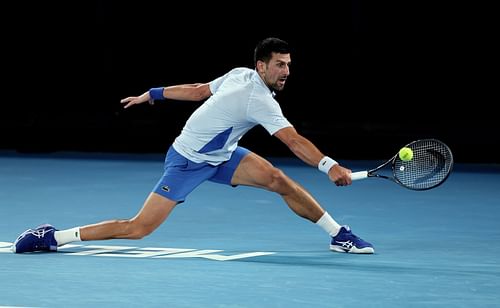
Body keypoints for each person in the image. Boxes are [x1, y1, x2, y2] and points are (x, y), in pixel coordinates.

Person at [12, 37, 374, 254]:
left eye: (289, 65)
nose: (286, 72)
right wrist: (330, 166)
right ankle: (53, 236)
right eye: (279, 65)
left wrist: (154, 94)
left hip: (224, 155)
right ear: (260, 66)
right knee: (139, 228)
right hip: (186, 161)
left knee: (278, 179)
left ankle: (338, 235)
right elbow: (292, 140)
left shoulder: (244, 76)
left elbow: (200, 90)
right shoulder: (256, 95)